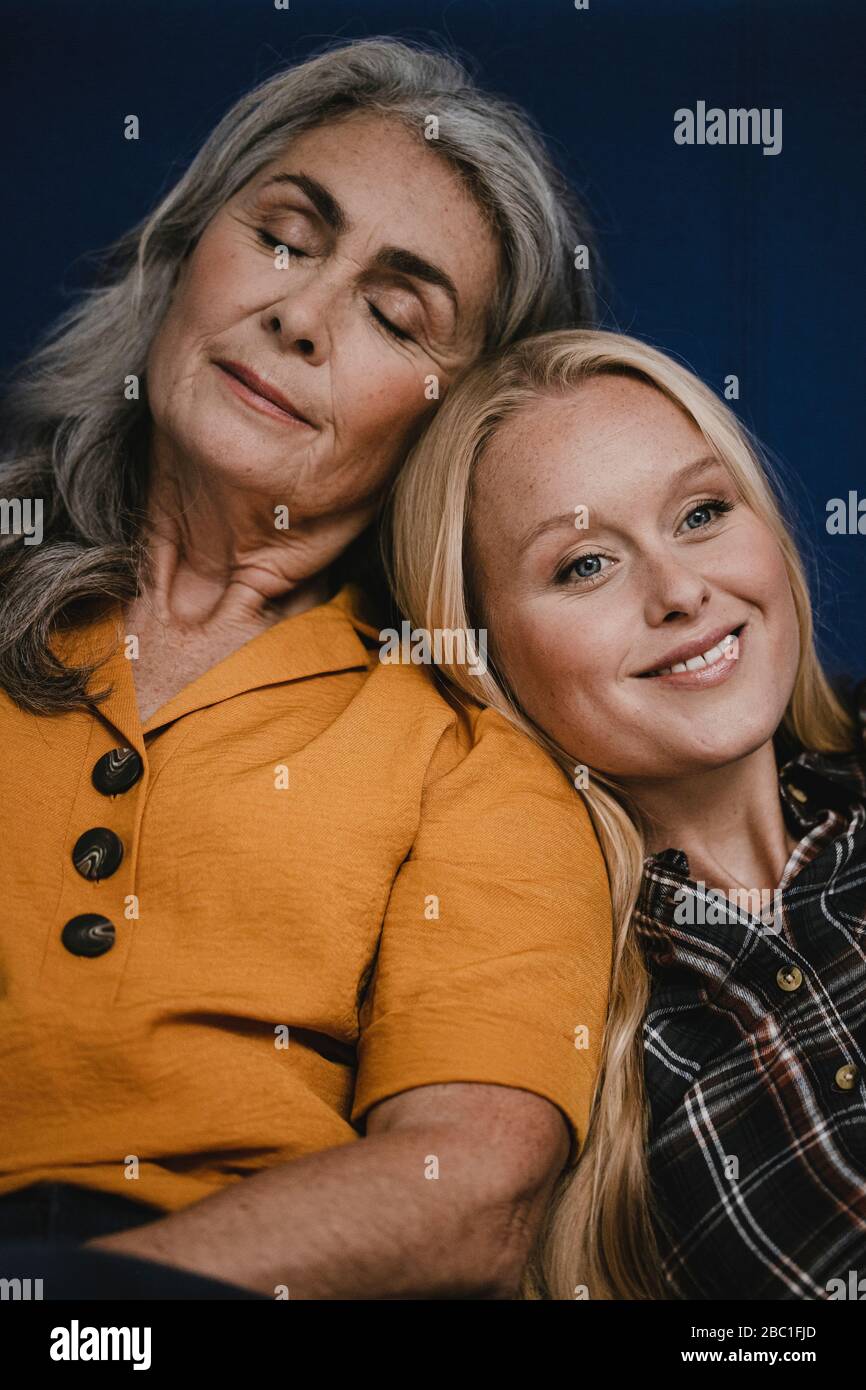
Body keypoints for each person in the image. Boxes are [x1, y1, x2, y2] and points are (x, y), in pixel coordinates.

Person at [0, 40, 614, 1299]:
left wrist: (84, 1312)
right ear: (184, 254)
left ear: (448, 425)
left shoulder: (470, 758)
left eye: (395, 315)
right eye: (282, 237)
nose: (299, 315)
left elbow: (468, 1187)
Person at [386, 326, 866, 1300]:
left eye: (698, 513)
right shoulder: (539, 1017)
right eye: (584, 566)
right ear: (481, 653)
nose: (681, 590)